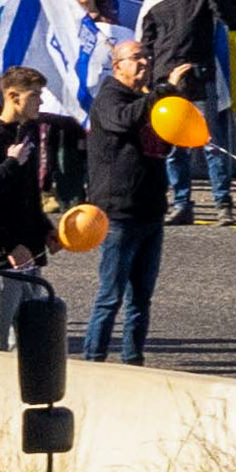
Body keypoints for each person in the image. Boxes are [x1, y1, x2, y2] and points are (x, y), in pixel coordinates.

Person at [79, 41, 171, 364]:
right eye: (136, 58)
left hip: (150, 211)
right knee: (110, 296)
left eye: (147, 55)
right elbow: (124, 121)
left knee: (141, 298)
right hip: (118, 213)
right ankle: (94, 357)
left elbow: (164, 144)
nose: (145, 61)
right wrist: (156, 96)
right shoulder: (109, 97)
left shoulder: (147, 101)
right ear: (117, 66)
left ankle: (133, 359)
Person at [0, 67, 57, 350]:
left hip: (28, 252)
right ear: (13, 96)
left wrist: (45, 230)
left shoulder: (26, 132)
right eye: (35, 95)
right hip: (2, 258)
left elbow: (28, 196)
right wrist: (6, 246)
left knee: (31, 336)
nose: (40, 102)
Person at [137, 0, 229, 227]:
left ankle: (223, 203)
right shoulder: (154, 0)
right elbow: (146, 42)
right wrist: (149, 78)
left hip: (200, 77)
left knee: (211, 143)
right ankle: (181, 202)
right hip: (168, 80)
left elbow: (227, 15)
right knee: (174, 146)